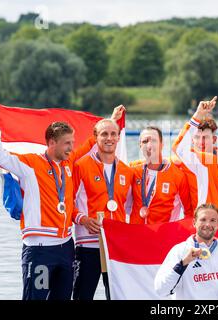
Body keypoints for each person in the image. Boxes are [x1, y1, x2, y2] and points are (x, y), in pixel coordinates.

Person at [0, 102, 107, 300]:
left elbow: (89, 144)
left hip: (66, 246)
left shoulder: (68, 164)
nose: (71, 147)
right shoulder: (30, 164)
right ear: (51, 142)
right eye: (67, 143)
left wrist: (112, 120)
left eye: (72, 142)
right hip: (39, 248)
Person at [72, 106, 133, 300]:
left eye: (113, 134)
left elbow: (130, 208)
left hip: (115, 246)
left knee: (116, 296)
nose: (109, 138)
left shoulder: (126, 170)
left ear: (118, 137)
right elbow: (67, 202)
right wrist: (82, 219)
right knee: (82, 296)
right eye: (104, 134)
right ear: (95, 137)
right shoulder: (80, 166)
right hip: (87, 244)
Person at [154, 203, 218, 299]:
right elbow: (161, 289)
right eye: (203, 219)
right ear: (194, 222)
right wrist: (183, 264)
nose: (208, 224)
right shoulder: (180, 251)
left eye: (213, 220)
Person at [129, 126, 193, 224]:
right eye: (145, 141)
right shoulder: (133, 171)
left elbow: (188, 213)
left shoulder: (177, 175)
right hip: (137, 234)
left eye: (154, 141)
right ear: (140, 146)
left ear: (162, 145)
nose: (149, 145)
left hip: (164, 236)